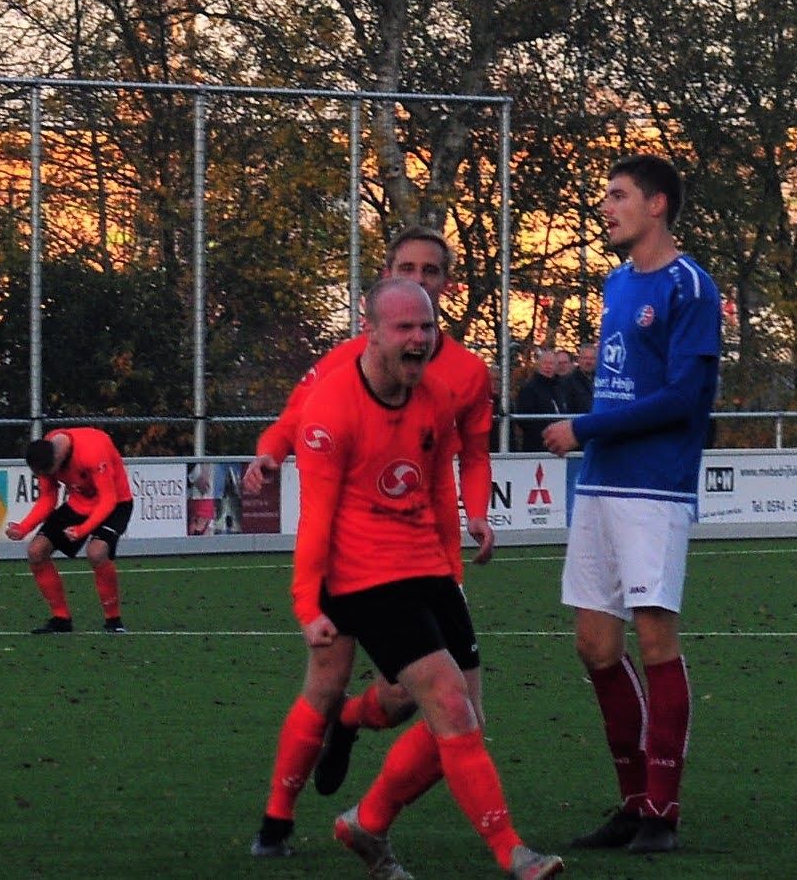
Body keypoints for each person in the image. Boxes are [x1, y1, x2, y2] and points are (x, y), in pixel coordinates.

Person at [291, 277, 560, 880]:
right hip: (363, 576)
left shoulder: (436, 399)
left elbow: (438, 483)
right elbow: (315, 517)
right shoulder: (332, 408)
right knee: (448, 703)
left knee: (466, 720)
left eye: (428, 328)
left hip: (427, 568)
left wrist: (458, 548)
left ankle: (368, 822)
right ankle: (513, 853)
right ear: (372, 331)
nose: (420, 339)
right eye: (405, 328)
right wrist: (308, 605)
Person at [245, 227, 496, 858]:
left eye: (432, 270)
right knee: (328, 684)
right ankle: (277, 818)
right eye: (407, 267)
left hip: (421, 555)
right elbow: (296, 417)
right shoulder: (344, 362)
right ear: (382, 294)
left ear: (445, 285)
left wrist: (475, 515)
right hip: (352, 554)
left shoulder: (465, 374)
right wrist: (270, 455)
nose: (422, 277)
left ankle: (351, 728)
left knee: (416, 697)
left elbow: (472, 452)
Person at [543, 154, 720, 855]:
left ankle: (662, 808)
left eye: (617, 195)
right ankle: (629, 800)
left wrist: (583, 426)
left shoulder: (689, 285)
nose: (606, 206)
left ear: (657, 204)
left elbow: (685, 398)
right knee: (595, 646)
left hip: (653, 486)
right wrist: (596, 368)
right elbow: (633, 375)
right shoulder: (617, 283)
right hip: (601, 484)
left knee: (653, 642)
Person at [3, 426, 135, 634]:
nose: (46, 476)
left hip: (116, 503)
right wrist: (23, 527)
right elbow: (48, 497)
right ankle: (61, 619)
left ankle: (113, 620)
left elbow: (108, 500)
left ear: (56, 461)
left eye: (47, 472)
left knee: (97, 552)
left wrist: (83, 529)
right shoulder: (47, 452)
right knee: (36, 551)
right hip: (80, 503)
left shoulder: (92, 451)